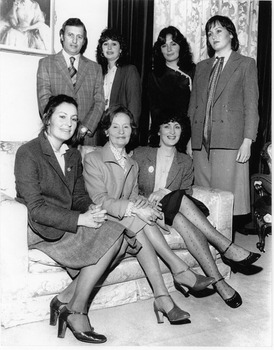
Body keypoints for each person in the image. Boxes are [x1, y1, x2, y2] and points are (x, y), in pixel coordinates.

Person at [83, 105, 215, 321]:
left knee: (142, 222)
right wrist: (137, 209)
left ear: (132, 131)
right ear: (106, 130)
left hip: (125, 219)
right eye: (115, 126)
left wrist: (147, 206)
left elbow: (133, 195)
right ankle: (179, 271)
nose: (121, 131)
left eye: (126, 126)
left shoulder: (133, 164)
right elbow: (100, 200)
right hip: (101, 217)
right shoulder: (93, 158)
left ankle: (163, 297)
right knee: (139, 220)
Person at [133, 110, 261, 308]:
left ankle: (218, 280)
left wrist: (165, 191)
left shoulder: (185, 161)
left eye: (177, 126)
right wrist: (147, 199)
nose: (172, 131)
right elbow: (127, 184)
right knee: (178, 199)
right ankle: (225, 246)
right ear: (158, 130)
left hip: (172, 213)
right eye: (167, 126)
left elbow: (186, 191)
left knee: (181, 212)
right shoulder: (142, 154)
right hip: (146, 210)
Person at [187, 15, 259, 220]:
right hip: (201, 143)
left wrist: (247, 141)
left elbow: (251, 106)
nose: (213, 36)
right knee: (203, 200)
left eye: (218, 30)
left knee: (226, 202)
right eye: (209, 33)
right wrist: (191, 140)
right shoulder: (201, 67)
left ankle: (225, 247)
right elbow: (193, 107)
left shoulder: (245, 64)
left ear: (231, 33)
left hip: (230, 141)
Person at [37, 18, 105, 145]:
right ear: (62, 36)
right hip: (56, 136)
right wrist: (62, 127)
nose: (75, 41)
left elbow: (100, 102)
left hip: (87, 140)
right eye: (70, 35)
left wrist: (85, 128)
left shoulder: (95, 68)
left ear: (84, 41)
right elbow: (44, 101)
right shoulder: (46, 64)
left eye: (79, 37)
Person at [148, 26, 195, 127]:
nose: (169, 49)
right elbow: (155, 111)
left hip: (192, 128)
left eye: (173, 44)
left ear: (181, 46)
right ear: (160, 50)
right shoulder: (155, 75)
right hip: (167, 130)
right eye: (164, 46)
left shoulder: (194, 71)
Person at [96, 28, 142, 127]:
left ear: (120, 49)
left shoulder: (130, 71)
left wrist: (130, 130)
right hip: (103, 129)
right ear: (101, 50)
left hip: (121, 130)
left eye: (114, 44)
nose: (109, 48)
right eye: (105, 44)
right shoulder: (99, 72)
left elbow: (134, 107)